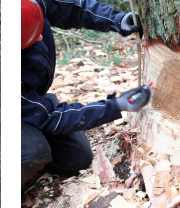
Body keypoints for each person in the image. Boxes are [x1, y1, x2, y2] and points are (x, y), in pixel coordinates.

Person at [21, 0, 152, 189]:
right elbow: (52, 116)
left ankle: (36, 123)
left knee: (77, 157)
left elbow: (74, 8)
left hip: (33, 101)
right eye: (32, 37)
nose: (42, 37)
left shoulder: (32, 3)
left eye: (40, 27)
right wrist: (117, 106)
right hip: (19, 109)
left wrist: (116, 19)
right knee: (33, 153)